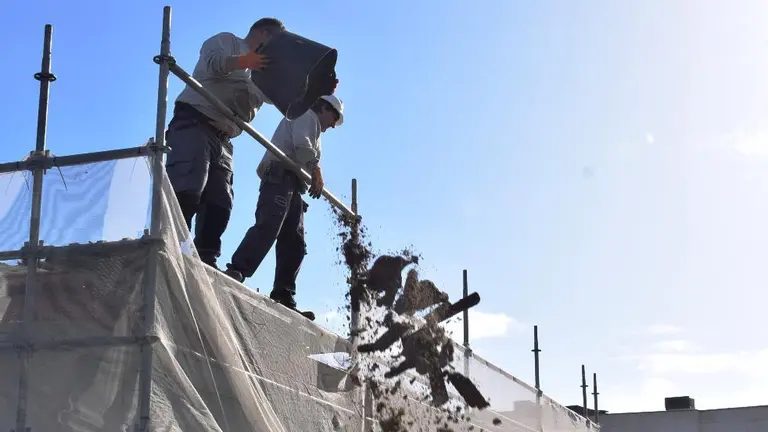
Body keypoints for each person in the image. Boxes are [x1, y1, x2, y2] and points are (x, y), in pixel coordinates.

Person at [164, 18, 284, 268]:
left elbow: (284, 100)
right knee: (188, 188)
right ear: (264, 33)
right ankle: (168, 248)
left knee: (220, 203)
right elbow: (214, 62)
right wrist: (244, 61)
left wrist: (315, 88)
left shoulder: (262, 75)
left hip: (224, 139)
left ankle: (205, 261)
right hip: (195, 122)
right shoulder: (228, 41)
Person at [224, 95, 345, 320]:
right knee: (269, 225)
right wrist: (316, 170)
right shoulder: (306, 115)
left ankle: (284, 294)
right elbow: (302, 147)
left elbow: (304, 151)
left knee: (295, 243)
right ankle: (237, 270)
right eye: (334, 118)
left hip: (294, 183)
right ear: (324, 108)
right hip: (280, 176)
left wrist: (311, 173)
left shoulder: (314, 127)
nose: (332, 125)